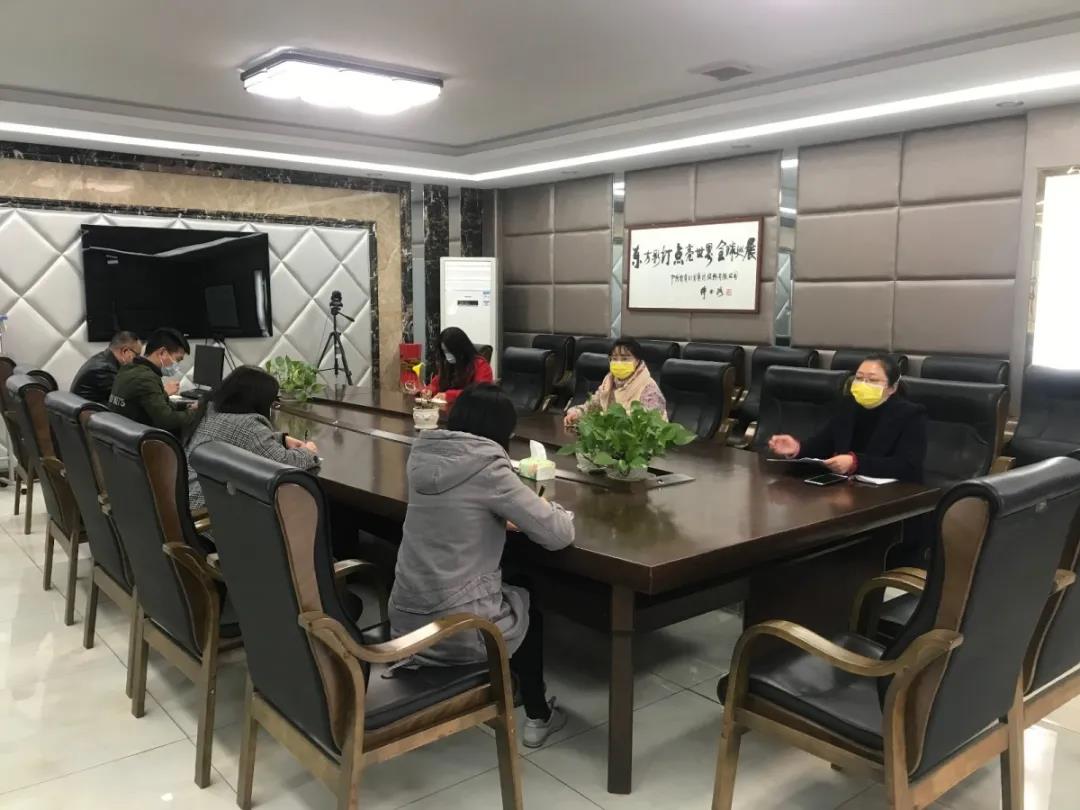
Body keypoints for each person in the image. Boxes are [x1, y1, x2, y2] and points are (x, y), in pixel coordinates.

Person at [389, 383, 574, 747]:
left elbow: (458, 513)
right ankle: (538, 714)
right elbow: (558, 534)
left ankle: (511, 686)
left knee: (512, 583)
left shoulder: (421, 456)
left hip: (406, 620)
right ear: (503, 433)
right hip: (457, 632)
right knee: (526, 602)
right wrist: (550, 509)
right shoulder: (488, 467)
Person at [767, 354, 927, 482]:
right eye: (859, 378)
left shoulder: (910, 414)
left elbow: (907, 466)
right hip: (848, 488)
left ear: (892, 388)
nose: (864, 384)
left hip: (893, 494)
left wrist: (855, 463)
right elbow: (823, 444)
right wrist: (797, 448)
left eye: (872, 380)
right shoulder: (848, 406)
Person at [185, 365, 319, 512]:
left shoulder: (210, 409)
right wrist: (308, 452)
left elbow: (235, 439)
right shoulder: (249, 425)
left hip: (189, 498)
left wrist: (280, 439)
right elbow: (283, 464)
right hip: (207, 511)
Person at [109, 327, 199, 437]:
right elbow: (166, 420)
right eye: (178, 359)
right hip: (138, 440)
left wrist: (187, 407)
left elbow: (162, 405)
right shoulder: (146, 378)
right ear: (162, 352)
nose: (177, 365)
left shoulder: (129, 368)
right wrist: (196, 412)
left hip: (120, 436)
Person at [563, 336, 666, 428]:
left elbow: (646, 423)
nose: (619, 363)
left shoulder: (649, 388)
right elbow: (592, 407)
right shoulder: (609, 382)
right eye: (614, 358)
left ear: (637, 360)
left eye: (625, 359)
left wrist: (604, 419)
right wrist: (577, 414)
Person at [70, 331, 141, 404]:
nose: (138, 360)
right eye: (137, 355)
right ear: (125, 351)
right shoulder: (105, 369)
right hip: (90, 410)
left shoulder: (103, 360)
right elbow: (128, 397)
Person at [427, 326, 493, 405]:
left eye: (449, 351)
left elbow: (480, 393)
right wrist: (429, 390)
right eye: (445, 351)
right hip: (448, 408)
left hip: (471, 409)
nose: (447, 355)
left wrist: (449, 395)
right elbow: (437, 383)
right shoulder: (448, 364)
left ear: (460, 349)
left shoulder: (480, 365)